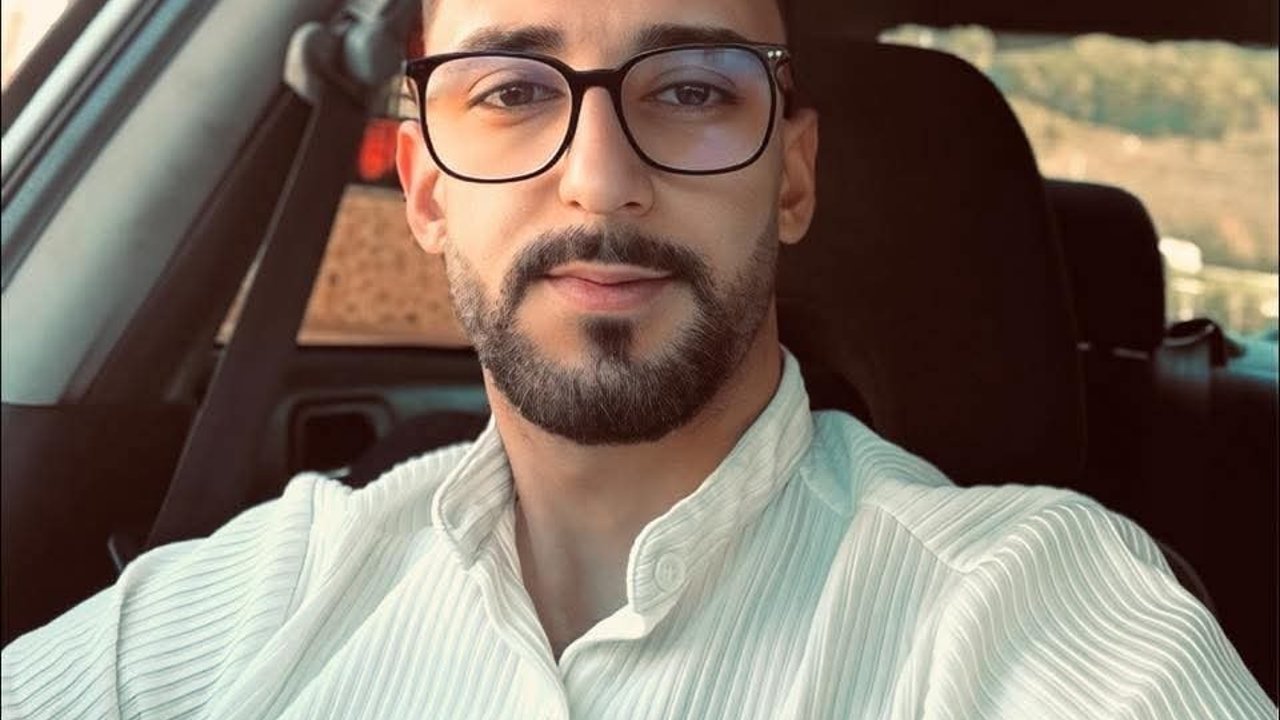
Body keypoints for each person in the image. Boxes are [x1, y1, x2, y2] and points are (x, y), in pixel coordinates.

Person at [2, 0, 1275, 717]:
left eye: (693, 90)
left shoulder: (1035, 617)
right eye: (512, 91)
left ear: (791, 179)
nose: (600, 181)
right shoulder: (240, 608)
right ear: (427, 188)